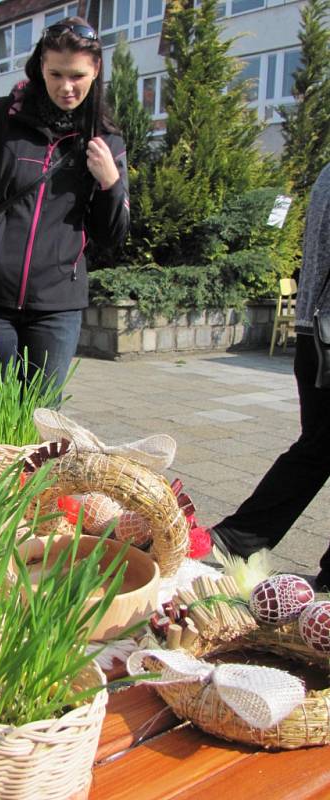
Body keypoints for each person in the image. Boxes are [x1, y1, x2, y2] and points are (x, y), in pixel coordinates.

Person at [0, 17, 130, 391]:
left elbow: (111, 235)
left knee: (40, 419)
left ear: (96, 69)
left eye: (77, 75)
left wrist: (110, 182)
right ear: (41, 65)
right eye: (56, 73)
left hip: (56, 306)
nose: (66, 86)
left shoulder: (107, 139)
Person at [211, 162, 330, 589]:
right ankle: (236, 538)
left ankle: (236, 538)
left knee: (316, 448)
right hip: (325, 335)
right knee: (316, 448)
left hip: (317, 333)